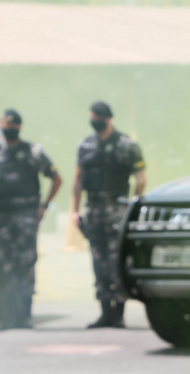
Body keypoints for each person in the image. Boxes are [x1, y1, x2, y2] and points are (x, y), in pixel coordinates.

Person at [0, 109, 62, 329]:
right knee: (3, 265)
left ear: (19, 127)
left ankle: (24, 314)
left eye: (13, 125)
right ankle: (8, 315)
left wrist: (44, 206)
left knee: (25, 264)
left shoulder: (33, 152)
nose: (9, 128)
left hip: (25, 216)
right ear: (0, 125)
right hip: (0, 217)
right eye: (6, 124)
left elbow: (56, 179)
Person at [70, 101, 146, 329]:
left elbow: (141, 179)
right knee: (98, 262)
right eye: (91, 116)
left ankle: (118, 313)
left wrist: (132, 207)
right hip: (93, 209)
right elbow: (77, 181)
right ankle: (105, 312)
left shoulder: (127, 145)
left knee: (116, 262)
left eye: (96, 117)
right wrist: (75, 210)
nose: (93, 121)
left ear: (108, 118)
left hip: (116, 210)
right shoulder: (85, 145)